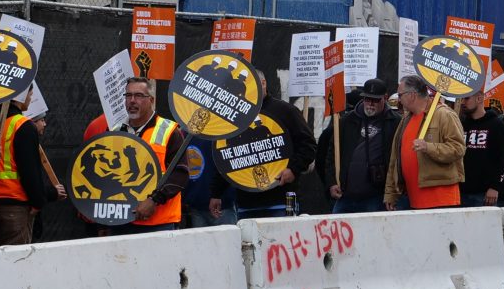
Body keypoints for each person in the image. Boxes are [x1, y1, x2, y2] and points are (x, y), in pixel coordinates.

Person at [211, 71, 316, 220]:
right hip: (246, 203)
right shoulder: (234, 115)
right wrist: (216, 193)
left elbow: (308, 145)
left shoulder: (286, 111)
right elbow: (225, 156)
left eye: (253, 84)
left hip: (280, 200)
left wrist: (293, 168)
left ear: (263, 83)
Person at [94, 76, 190, 230]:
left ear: (151, 100)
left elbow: (180, 174)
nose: (132, 100)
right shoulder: (115, 131)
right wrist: (102, 221)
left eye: (138, 96)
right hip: (120, 222)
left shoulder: (170, 131)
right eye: (128, 95)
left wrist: (154, 200)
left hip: (158, 223)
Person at [0, 98, 58, 245]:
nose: (30, 98)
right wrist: (37, 202)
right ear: (22, 95)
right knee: (15, 262)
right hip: (15, 205)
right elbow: (30, 171)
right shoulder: (22, 125)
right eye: (30, 93)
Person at [384, 75, 466, 209]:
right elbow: (395, 160)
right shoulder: (405, 120)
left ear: (412, 95)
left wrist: (428, 147)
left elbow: (458, 148)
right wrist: (391, 193)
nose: (399, 99)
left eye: (400, 95)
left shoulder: (444, 114)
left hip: (441, 200)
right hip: (412, 199)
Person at [316, 77, 394, 213]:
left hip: (376, 197)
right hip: (345, 196)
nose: (370, 104)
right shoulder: (347, 121)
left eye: (375, 100)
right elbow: (331, 155)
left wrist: (392, 192)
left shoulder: (394, 121)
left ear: (385, 98)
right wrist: (332, 183)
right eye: (367, 99)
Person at [457, 86, 504, 207]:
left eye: (466, 98)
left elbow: (503, 158)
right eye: (461, 99)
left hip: (484, 194)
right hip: (459, 190)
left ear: (479, 98)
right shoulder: (460, 124)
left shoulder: (496, 125)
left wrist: (494, 187)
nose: (463, 102)